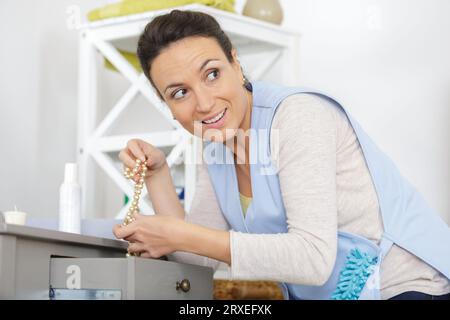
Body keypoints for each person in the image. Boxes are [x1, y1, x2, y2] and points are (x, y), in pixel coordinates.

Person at [113, 10, 450, 300]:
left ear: (236, 63)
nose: (203, 103)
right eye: (180, 92)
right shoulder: (216, 144)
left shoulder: (297, 116)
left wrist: (183, 235)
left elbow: (313, 258)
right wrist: (158, 176)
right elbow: (198, 259)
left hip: (405, 286)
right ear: (168, 106)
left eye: (212, 74)